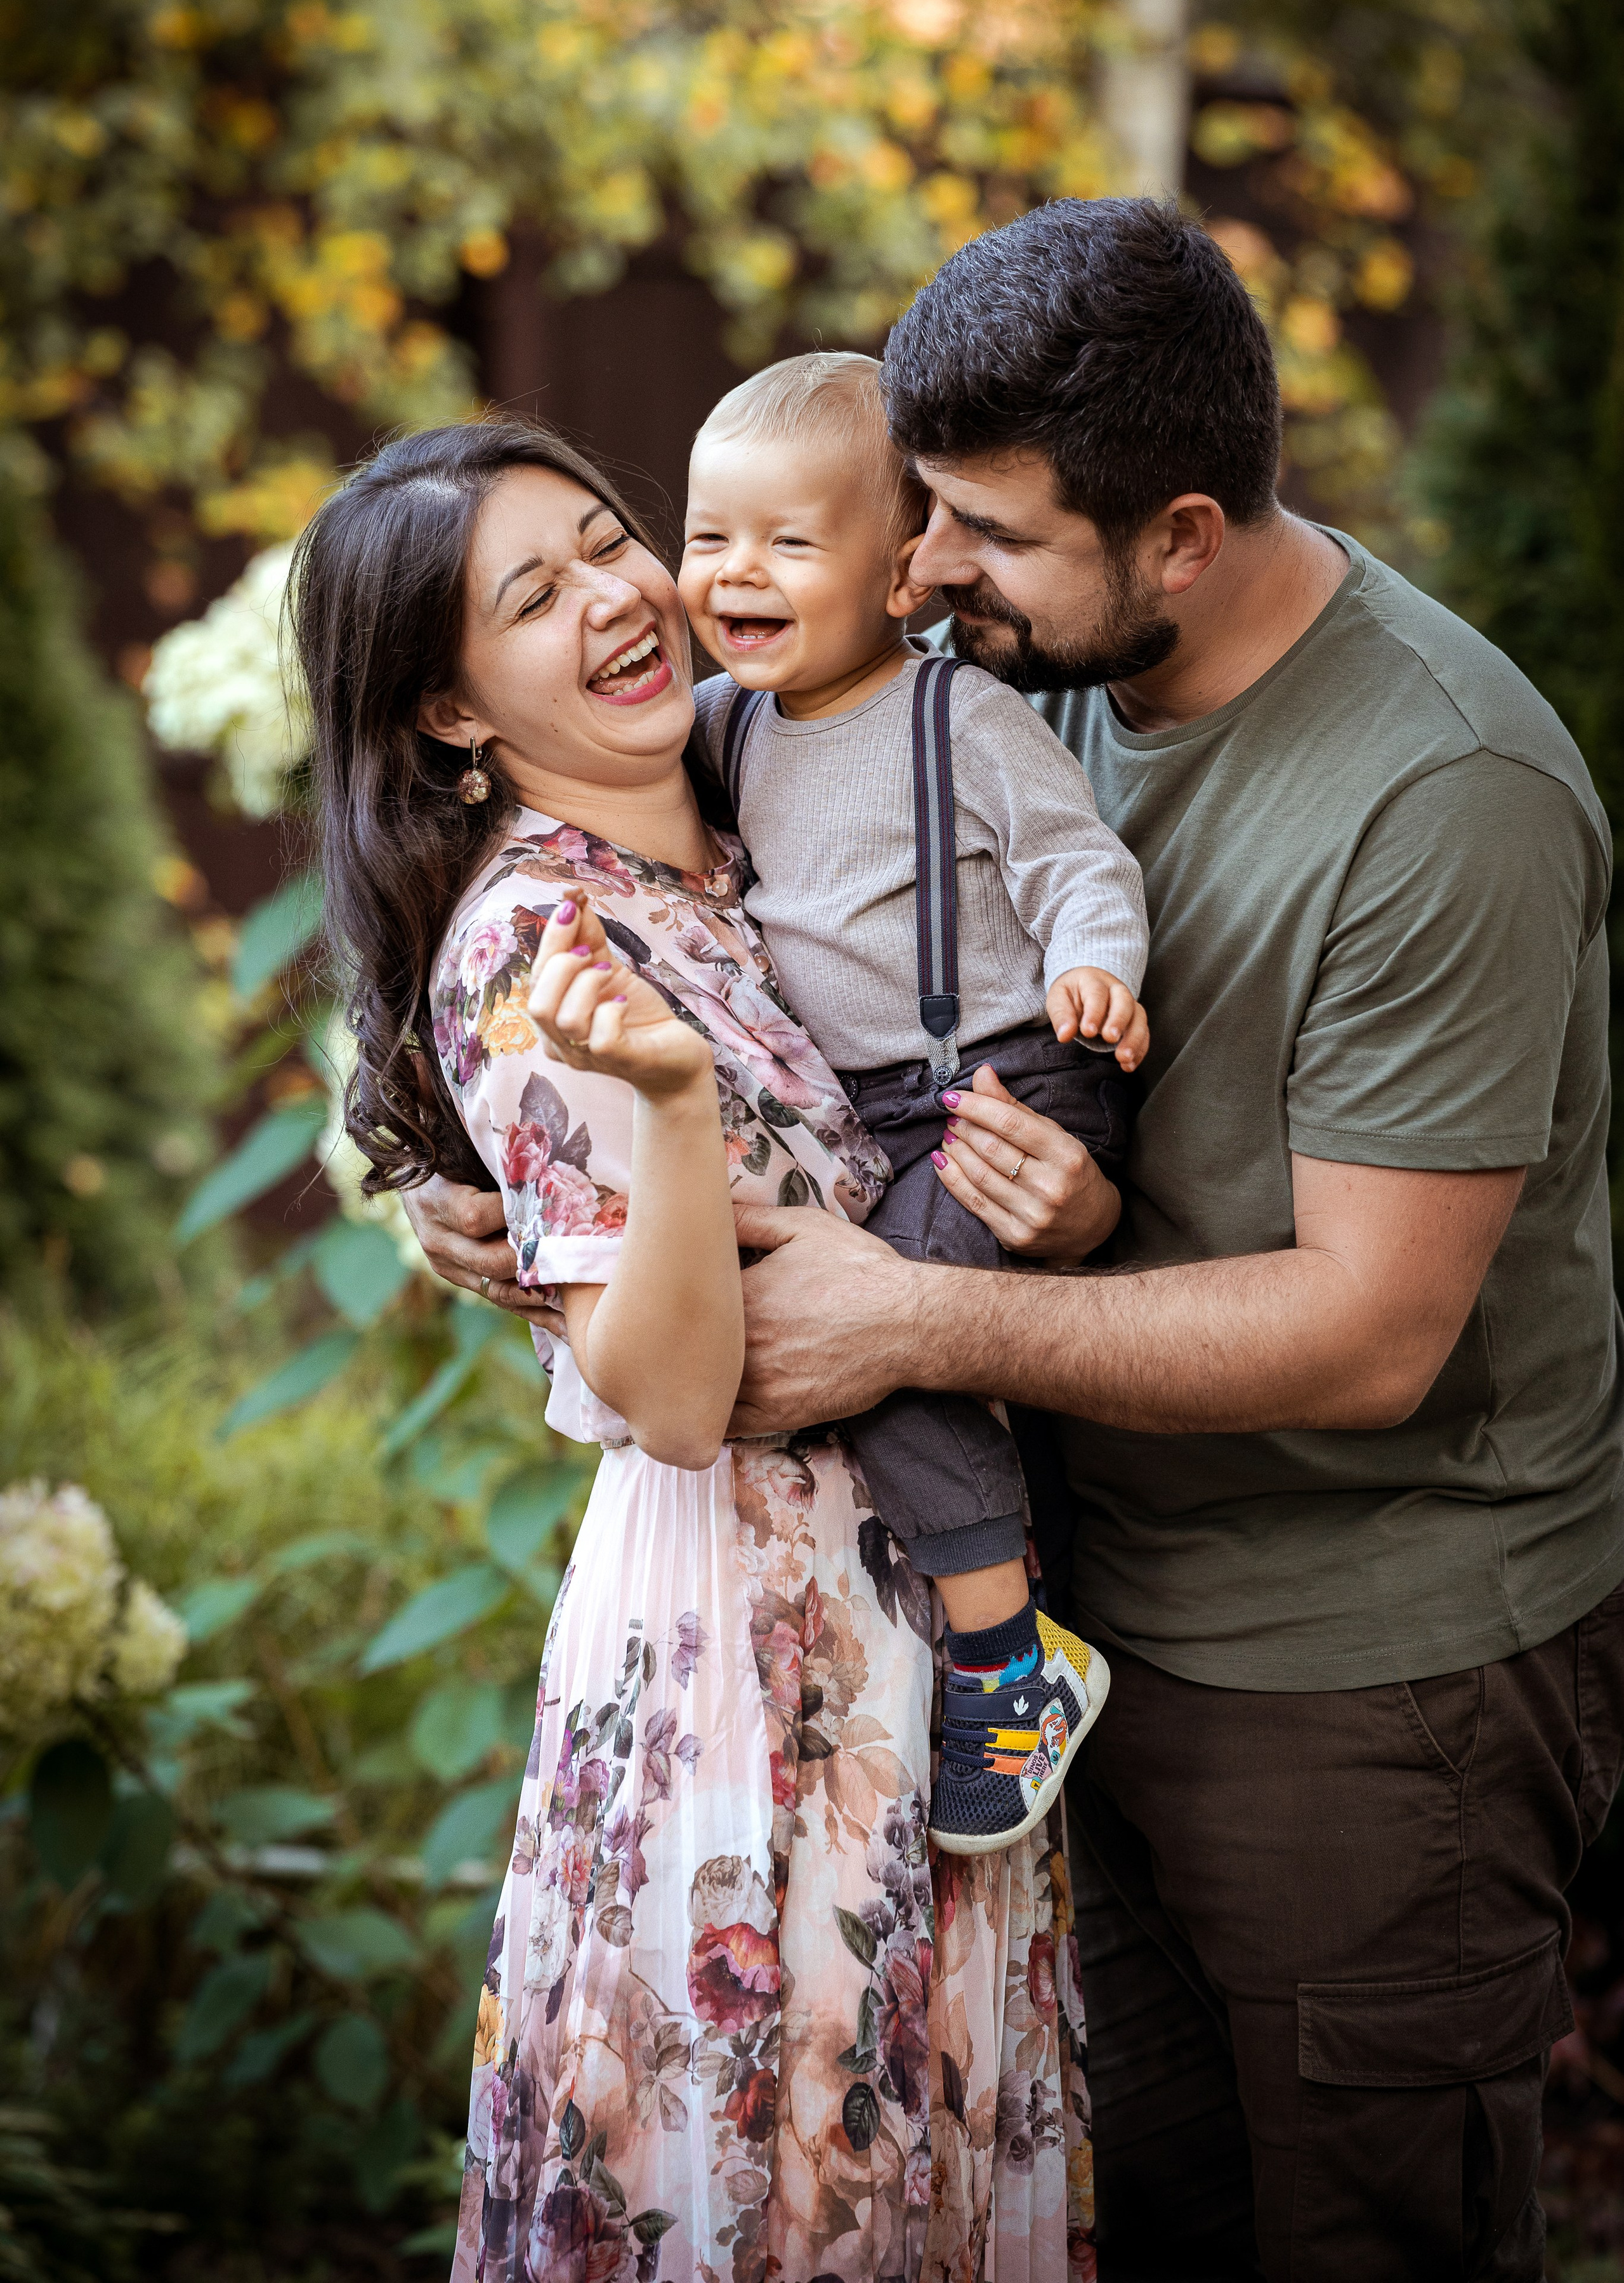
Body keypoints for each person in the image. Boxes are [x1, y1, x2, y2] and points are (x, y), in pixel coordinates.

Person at [405, 201, 1624, 2283]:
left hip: (1358, 1670)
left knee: (1358, 2238)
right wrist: (514, 1177)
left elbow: (1370, 1335)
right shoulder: (1011, 669)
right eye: (922, 518)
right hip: (1073, 1614)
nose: (928, 570)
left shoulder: (1440, 794)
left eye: (980, 530)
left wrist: (912, 1311)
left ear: (1179, 534)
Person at [292, 415, 1092, 2283]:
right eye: (533, 594)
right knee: (787, 2196)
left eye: (603, 540)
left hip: (931, 1650)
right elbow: (661, 1394)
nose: (618, 596)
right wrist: (656, 1106)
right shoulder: (538, 937)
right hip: (752, 1658)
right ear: (448, 714)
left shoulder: (754, 815)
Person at [682, 348, 1148, 1855]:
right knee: (850, 1329)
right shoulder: (724, 727)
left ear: (900, 579)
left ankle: (1009, 1662)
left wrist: (1091, 965)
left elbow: (1078, 863)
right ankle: (979, 1623)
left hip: (1006, 1080)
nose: (733, 574)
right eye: (707, 539)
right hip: (870, 1111)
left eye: (785, 544)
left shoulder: (959, 719)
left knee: (897, 1336)